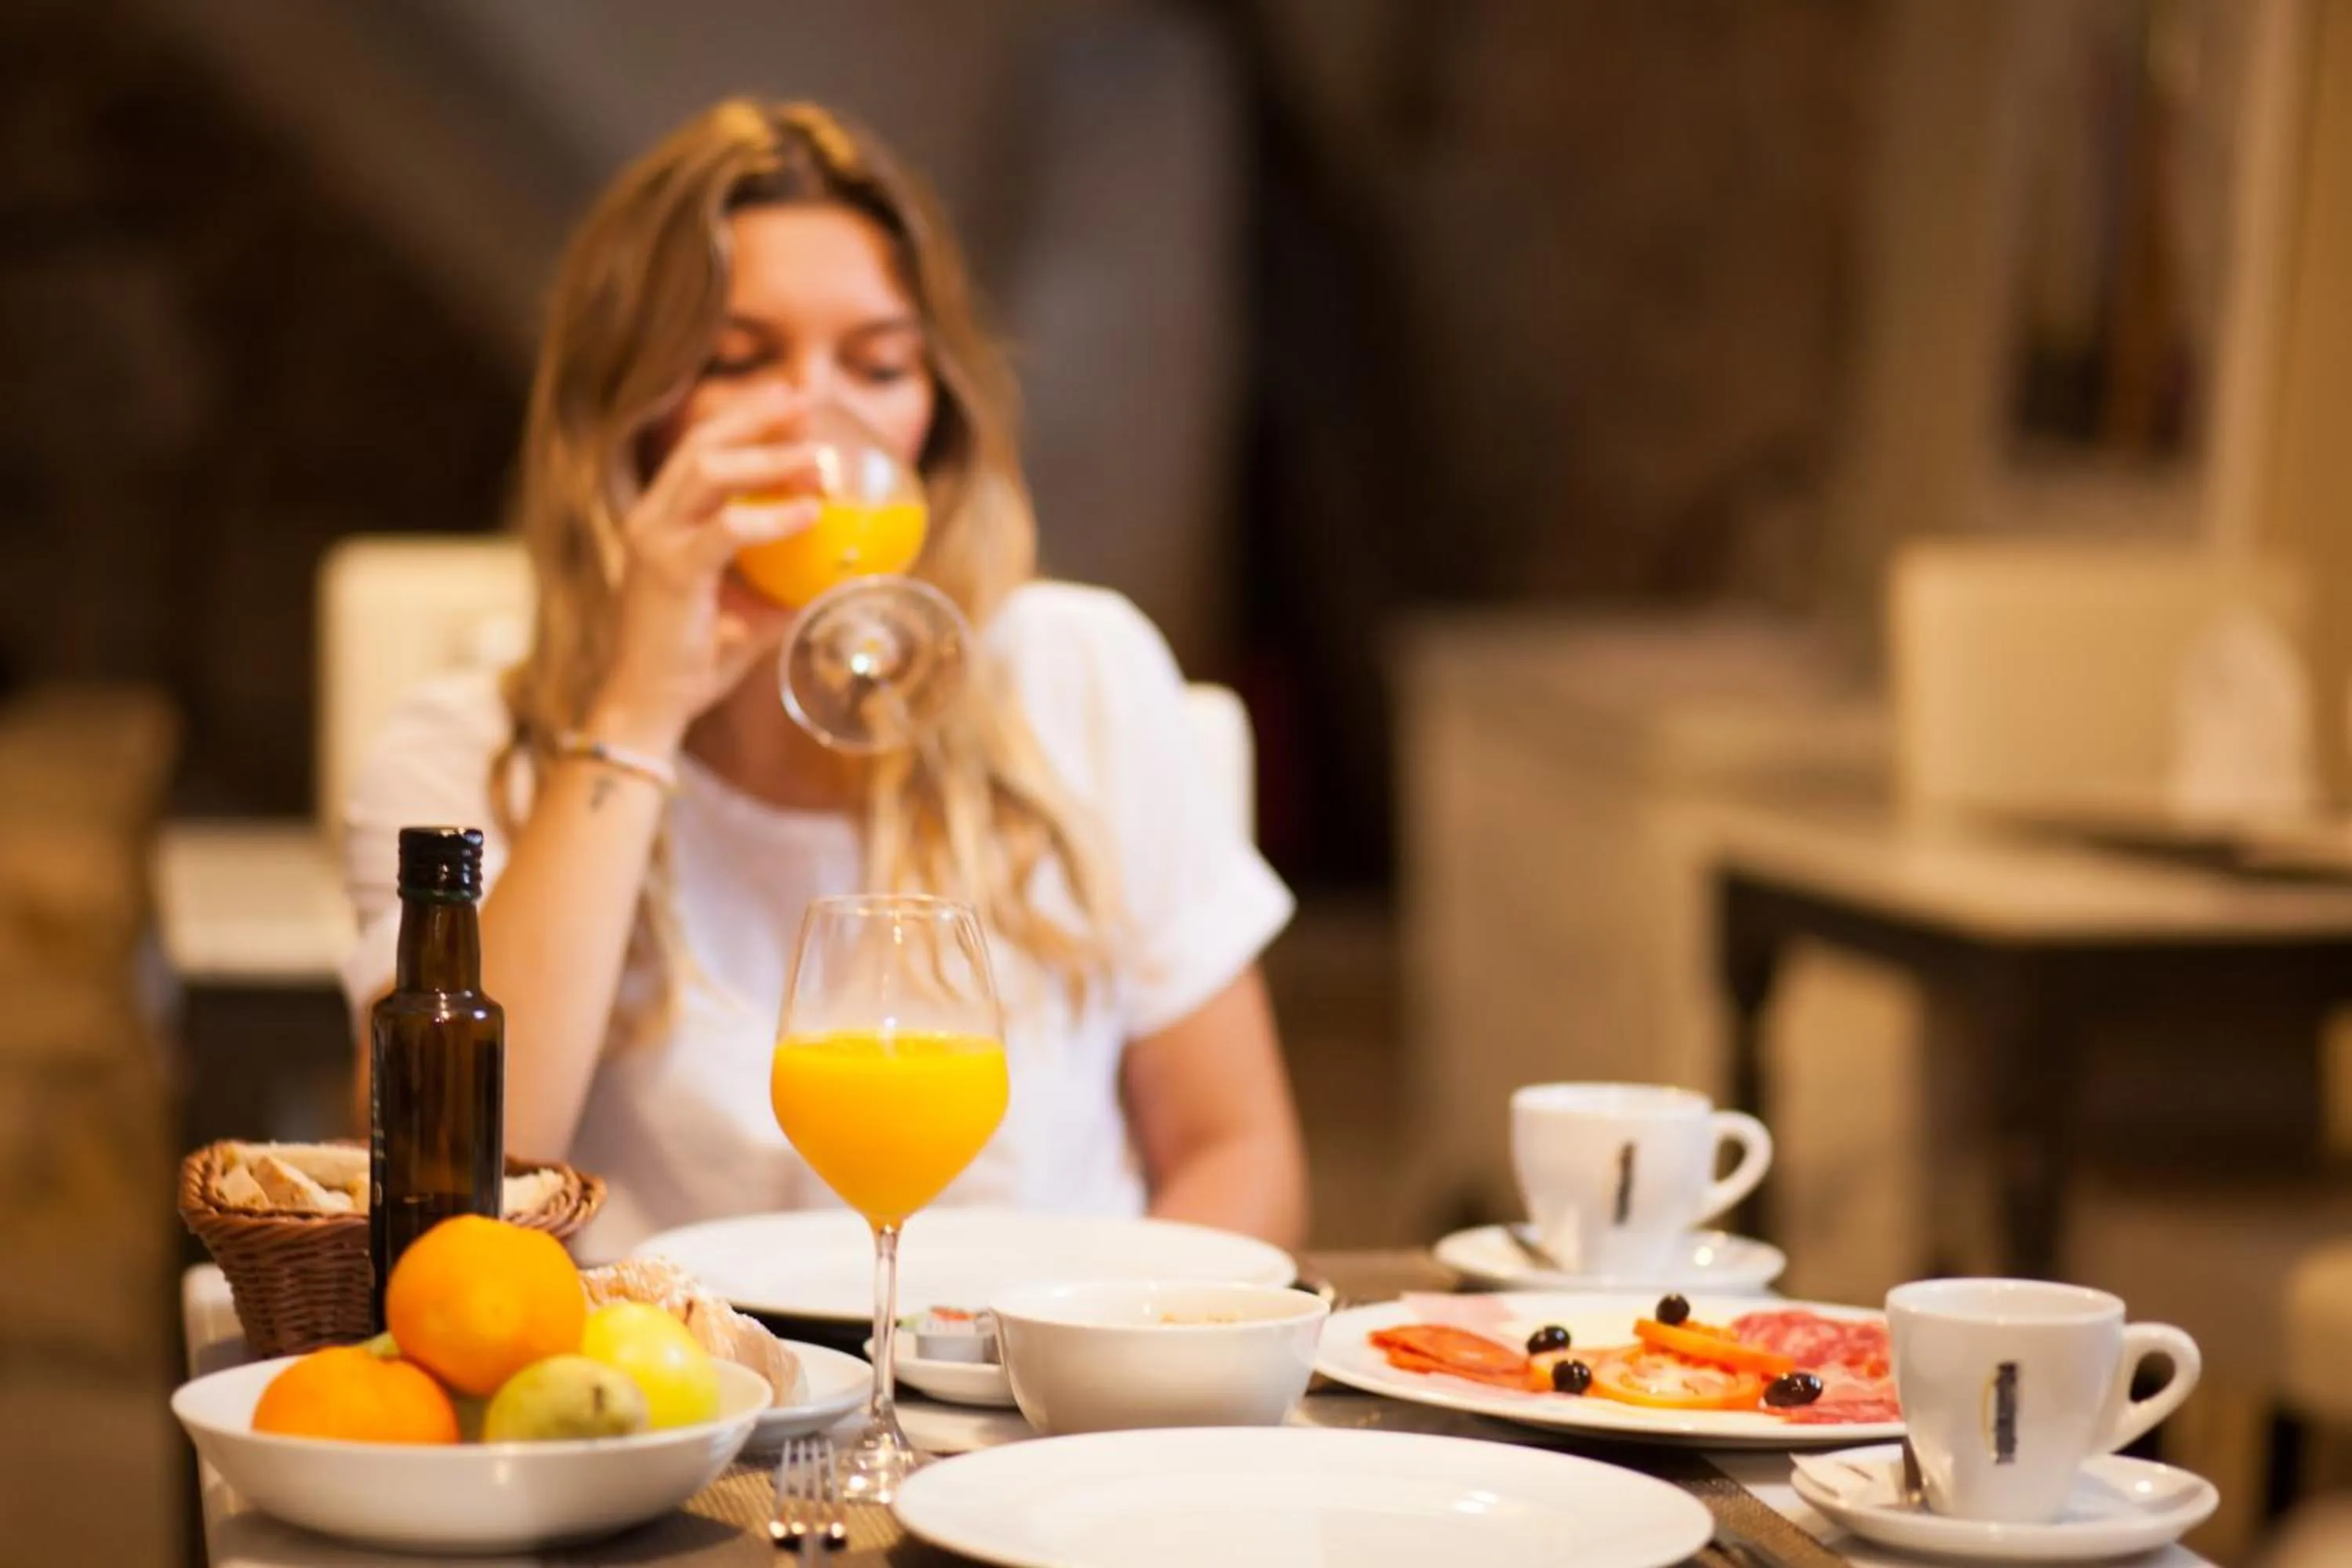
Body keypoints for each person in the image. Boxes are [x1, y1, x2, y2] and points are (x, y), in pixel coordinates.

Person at [339, 100, 1307, 1258]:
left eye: (881, 363)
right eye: (739, 363)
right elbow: (454, 1189)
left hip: (1043, 1408)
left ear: (933, 418)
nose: (816, 415)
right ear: (624, 419)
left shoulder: (1078, 675)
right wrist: (637, 712)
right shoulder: (464, 754)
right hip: (677, 1406)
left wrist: (1132, 1359)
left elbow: (1234, 1148)